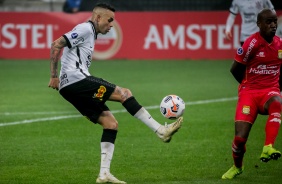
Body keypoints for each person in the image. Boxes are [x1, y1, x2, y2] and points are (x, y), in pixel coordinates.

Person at [48, 3, 183, 184]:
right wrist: (53, 76)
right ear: (97, 18)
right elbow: (57, 43)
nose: (111, 25)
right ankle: (160, 130)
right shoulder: (85, 29)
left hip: (70, 89)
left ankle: (104, 174)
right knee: (124, 93)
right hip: (76, 80)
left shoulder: (90, 33)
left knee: (110, 123)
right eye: (109, 20)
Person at [222, 9, 282, 180]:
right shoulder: (251, 43)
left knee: (277, 101)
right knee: (239, 140)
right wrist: (246, 87)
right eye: (268, 22)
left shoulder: (280, 44)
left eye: (274, 21)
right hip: (249, 92)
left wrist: (278, 88)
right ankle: (237, 167)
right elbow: (235, 69)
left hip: (269, 91)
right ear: (259, 24)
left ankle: (268, 146)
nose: (273, 25)